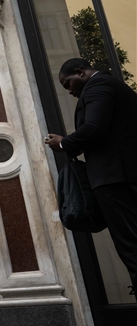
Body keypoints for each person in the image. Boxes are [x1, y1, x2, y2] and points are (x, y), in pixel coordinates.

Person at [46, 58, 137, 298]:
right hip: (123, 175)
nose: (69, 91)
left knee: (131, 247)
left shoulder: (98, 86)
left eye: (68, 83)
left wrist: (64, 142)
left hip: (115, 179)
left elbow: (95, 128)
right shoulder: (110, 86)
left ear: (80, 72)